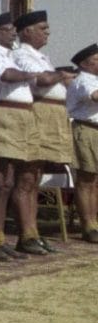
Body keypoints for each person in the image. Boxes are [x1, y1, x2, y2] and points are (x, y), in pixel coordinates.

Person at [0, 12, 44, 259]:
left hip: (18, 116)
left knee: (6, 181)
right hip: (2, 113)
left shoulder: (8, 55)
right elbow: (5, 76)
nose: (13, 33)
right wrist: (31, 75)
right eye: (7, 29)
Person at [11, 10, 75, 253]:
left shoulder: (41, 56)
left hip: (53, 114)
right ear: (26, 31)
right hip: (38, 113)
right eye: (42, 28)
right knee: (26, 176)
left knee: (36, 177)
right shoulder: (21, 55)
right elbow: (41, 81)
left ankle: (33, 232)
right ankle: (25, 234)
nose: (47, 32)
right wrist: (61, 75)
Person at [67, 44, 98, 243]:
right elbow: (95, 96)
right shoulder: (84, 80)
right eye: (96, 60)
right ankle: (87, 225)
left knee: (94, 181)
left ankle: (94, 222)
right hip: (85, 130)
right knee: (86, 180)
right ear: (85, 64)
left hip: (94, 131)